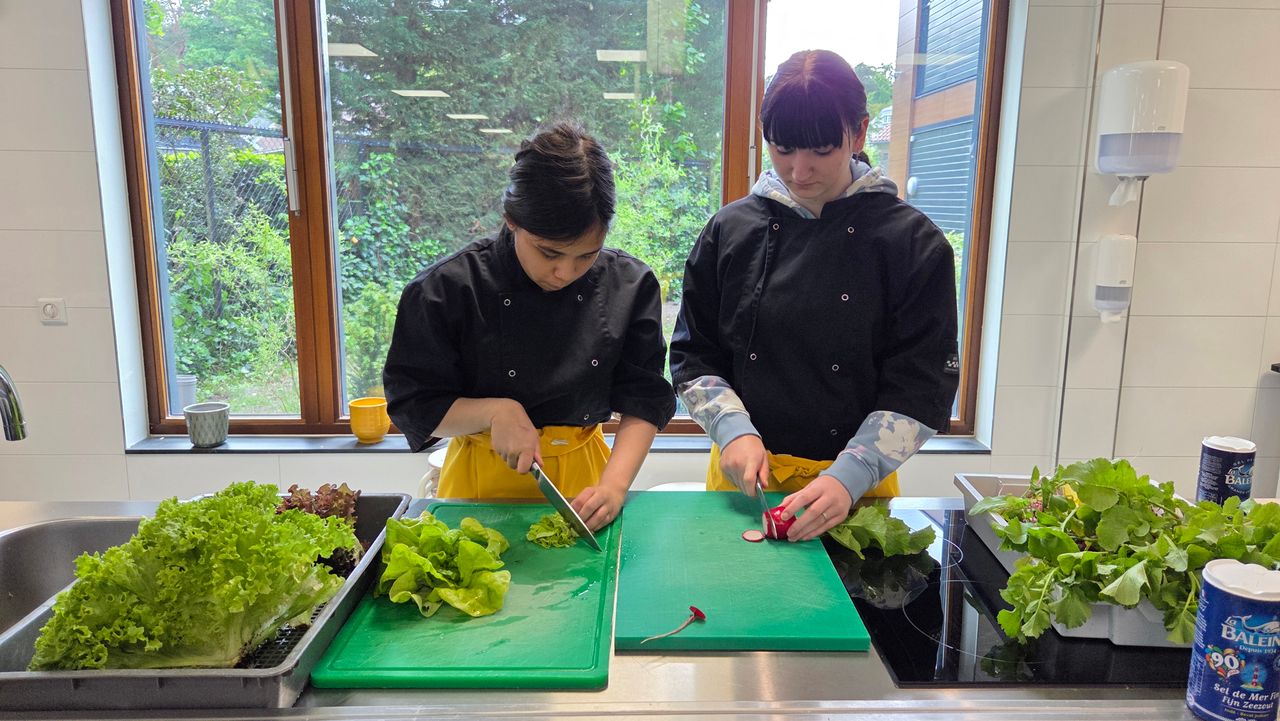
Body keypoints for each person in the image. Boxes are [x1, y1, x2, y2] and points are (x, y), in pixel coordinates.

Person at [670, 50, 959, 542]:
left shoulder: (912, 244)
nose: (799, 171)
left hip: (856, 494)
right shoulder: (729, 230)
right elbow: (694, 355)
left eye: (821, 151)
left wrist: (848, 478)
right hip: (744, 484)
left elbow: (921, 385)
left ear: (860, 132)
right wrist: (732, 430)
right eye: (782, 149)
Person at [383, 122, 676, 530]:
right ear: (512, 220)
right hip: (477, 485)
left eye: (585, 256)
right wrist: (494, 413)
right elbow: (413, 405)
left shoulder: (629, 284)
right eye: (549, 252)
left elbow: (644, 399)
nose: (564, 272)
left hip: (585, 483)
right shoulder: (447, 288)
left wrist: (614, 485)